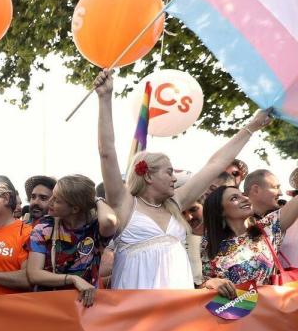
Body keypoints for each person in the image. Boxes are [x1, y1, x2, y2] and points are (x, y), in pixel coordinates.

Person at [96, 70, 272, 289]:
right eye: (168, 172)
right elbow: (107, 152)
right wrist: (105, 98)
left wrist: (251, 127)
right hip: (135, 305)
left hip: (178, 305)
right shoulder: (124, 204)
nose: (174, 178)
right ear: (148, 175)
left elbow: (215, 164)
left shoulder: (175, 204)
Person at [25, 175, 117, 306]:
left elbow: (109, 221)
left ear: (75, 208)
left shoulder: (95, 228)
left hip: (85, 307)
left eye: (56, 199)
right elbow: (34, 274)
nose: (50, 202)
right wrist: (73, 279)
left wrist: (95, 199)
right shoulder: (45, 226)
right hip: (50, 307)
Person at [201, 184, 298, 296]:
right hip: (231, 311)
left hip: (269, 309)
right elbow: (199, 286)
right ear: (220, 211)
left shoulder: (267, 229)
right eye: (234, 198)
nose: (246, 198)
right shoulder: (208, 243)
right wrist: (210, 283)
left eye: (243, 195)